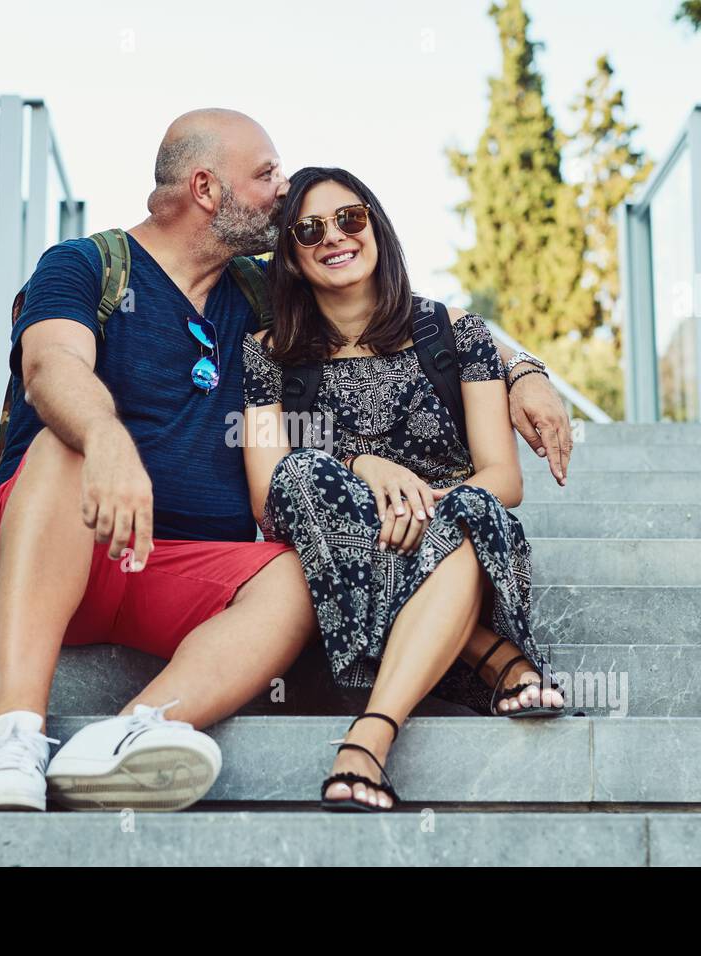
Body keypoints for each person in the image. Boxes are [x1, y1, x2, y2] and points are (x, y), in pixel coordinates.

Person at [0, 109, 576, 814]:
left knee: (291, 575)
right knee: (62, 445)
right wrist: (105, 437)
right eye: (266, 175)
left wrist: (524, 370)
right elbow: (51, 364)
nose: (285, 192)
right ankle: (12, 735)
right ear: (205, 188)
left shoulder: (255, 291)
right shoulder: (87, 265)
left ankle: (129, 736)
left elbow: (400, 310)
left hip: (187, 572)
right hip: (64, 544)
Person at [241, 167, 567, 813]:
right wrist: (364, 466)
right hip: (341, 536)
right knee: (304, 476)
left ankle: (369, 738)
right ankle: (494, 656)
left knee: (474, 506)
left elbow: (502, 479)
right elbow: (267, 496)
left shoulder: (458, 335)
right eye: (309, 229)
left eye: (350, 218)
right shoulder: (267, 353)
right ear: (291, 254)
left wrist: (422, 505)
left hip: (457, 529)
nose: (334, 236)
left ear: (377, 227)